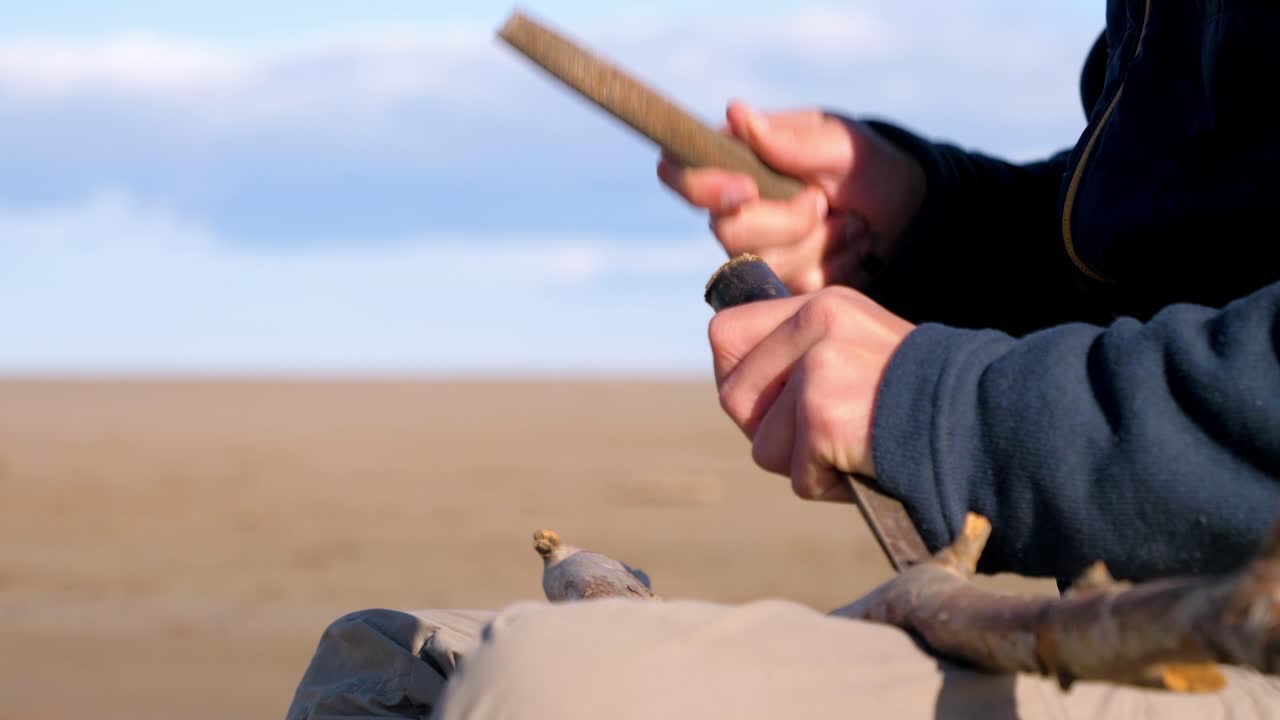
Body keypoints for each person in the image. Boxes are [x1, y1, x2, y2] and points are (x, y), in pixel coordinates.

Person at [287, 3, 1280, 717]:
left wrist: (951, 409)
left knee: (553, 696)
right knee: (384, 670)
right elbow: (1178, 258)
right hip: (1168, 609)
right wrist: (920, 230)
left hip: (1239, 628)